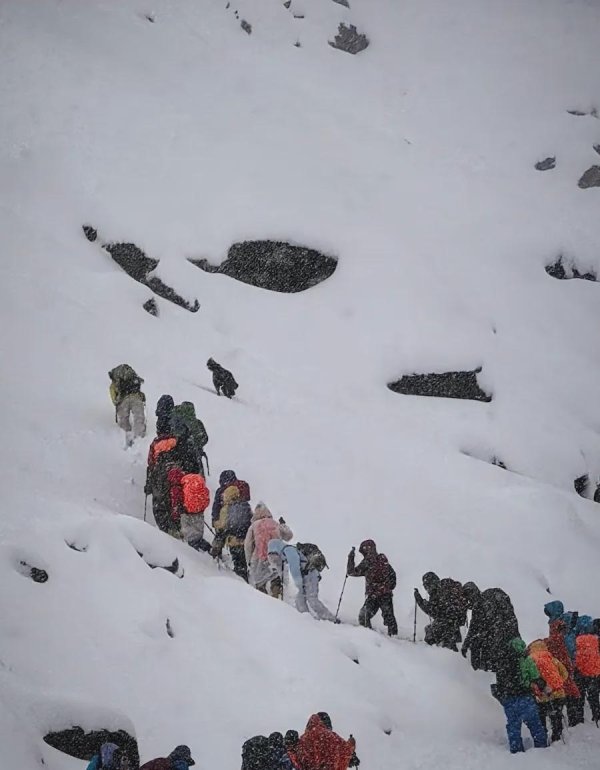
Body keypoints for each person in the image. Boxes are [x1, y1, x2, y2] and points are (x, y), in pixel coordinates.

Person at [492, 637, 547, 754]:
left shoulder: (502, 662)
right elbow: (536, 677)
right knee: (535, 724)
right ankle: (542, 748)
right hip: (525, 697)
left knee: (513, 726)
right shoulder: (527, 660)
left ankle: (516, 750)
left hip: (509, 699)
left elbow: (499, 681)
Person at [268, 539, 337, 622]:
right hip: (304, 576)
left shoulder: (289, 550)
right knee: (299, 601)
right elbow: (282, 570)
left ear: (276, 549)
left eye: (273, 554)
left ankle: (330, 619)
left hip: (310, 575)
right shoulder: (283, 554)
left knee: (312, 599)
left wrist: (299, 585)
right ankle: (306, 621)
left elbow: (295, 570)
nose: (273, 558)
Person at [462, 583, 519, 670]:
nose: (469, 600)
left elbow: (498, 625)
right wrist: (466, 644)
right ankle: (478, 675)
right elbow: (474, 627)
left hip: (506, 634)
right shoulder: (477, 607)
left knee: (505, 659)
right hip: (498, 635)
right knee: (478, 644)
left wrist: (490, 642)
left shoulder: (487, 602)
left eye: (469, 597)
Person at [346, 540, 397, 636]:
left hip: (373, 595)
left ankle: (368, 636)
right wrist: (386, 587)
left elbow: (351, 572)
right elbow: (393, 577)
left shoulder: (367, 562)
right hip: (385, 594)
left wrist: (351, 557)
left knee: (364, 615)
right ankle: (394, 638)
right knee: (389, 617)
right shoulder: (383, 561)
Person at [544, 604, 583, 726]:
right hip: (564, 663)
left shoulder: (557, 626)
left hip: (561, 663)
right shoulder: (560, 626)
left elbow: (563, 646)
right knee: (571, 690)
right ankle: (575, 719)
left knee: (567, 690)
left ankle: (572, 720)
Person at [244, 503, 293, 594]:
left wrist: (249, 561)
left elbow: (248, 545)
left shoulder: (254, 526)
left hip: (260, 558)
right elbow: (289, 536)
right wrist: (283, 526)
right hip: (276, 557)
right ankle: (277, 595)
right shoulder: (275, 524)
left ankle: (265, 603)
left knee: (260, 583)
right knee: (276, 577)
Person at [527, 640, 569, 743]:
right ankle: (557, 736)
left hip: (542, 696)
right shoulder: (552, 659)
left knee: (541, 717)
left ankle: (543, 737)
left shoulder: (530, 660)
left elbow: (528, 679)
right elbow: (565, 673)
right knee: (556, 716)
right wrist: (557, 684)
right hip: (558, 693)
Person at [414, 572, 467, 651]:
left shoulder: (439, 592)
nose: (427, 589)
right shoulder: (444, 588)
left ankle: (438, 657)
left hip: (448, 623)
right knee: (431, 631)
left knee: (432, 636)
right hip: (455, 621)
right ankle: (452, 656)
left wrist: (420, 601)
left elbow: (434, 613)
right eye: (425, 587)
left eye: (427, 586)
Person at [212, 485, 250, 580]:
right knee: (243, 562)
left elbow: (223, 527)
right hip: (245, 540)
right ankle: (245, 577)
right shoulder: (246, 505)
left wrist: (216, 524)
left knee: (238, 563)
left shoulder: (226, 509)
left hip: (233, 540)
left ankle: (241, 583)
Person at [167, 466, 211, 549]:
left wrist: (175, 516)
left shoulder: (176, 487)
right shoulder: (189, 479)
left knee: (190, 534)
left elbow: (176, 502)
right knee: (198, 531)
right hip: (199, 509)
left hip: (187, 511)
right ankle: (207, 548)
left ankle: (194, 553)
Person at [145, 432, 180, 532]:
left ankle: (165, 530)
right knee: (174, 502)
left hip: (159, 477)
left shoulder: (156, 443)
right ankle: (175, 527)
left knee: (160, 504)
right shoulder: (176, 441)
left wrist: (149, 485)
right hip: (175, 477)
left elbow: (150, 463)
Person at [108, 364, 146, 447]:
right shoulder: (132, 379)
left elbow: (114, 399)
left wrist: (118, 401)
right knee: (139, 417)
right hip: (136, 397)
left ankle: (126, 434)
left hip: (123, 399)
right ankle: (139, 438)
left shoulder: (114, 384)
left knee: (123, 419)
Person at [574, 615, 600, 724]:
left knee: (581, 696)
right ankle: (596, 714)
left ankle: (580, 718)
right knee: (594, 695)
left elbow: (576, 657)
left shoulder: (577, 640)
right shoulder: (596, 639)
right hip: (596, 672)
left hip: (582, 673)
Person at [170, 402, 208, 475]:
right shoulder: (197, 422)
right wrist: (197, 445)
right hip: (196, 456)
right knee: (198, 477)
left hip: (180, 457)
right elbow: (205, 438)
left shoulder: (178, 424)